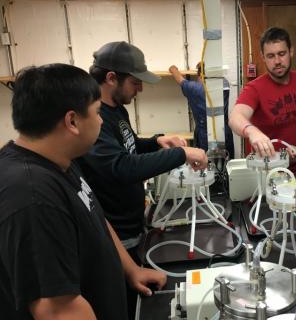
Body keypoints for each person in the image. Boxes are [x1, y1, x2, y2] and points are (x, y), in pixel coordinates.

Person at [0, 64, 166, 320]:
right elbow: (57, 310)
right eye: (97, 112)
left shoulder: (60, 161)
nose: (101, 120)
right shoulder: (31, 196)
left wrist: (132, 270)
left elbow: (95, 215)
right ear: (72, 121)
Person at [78, 41, 208, 318]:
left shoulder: (117, 110)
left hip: (134, 226)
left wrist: (156, 141)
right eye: (136, 82)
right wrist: (182, 153)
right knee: (128, 306)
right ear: (111, 78)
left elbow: (128, 147)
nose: (141, 88)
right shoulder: (95, 117)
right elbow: (121, 167)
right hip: (116, 236)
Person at [229, 27, 296, 174]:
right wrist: (251, 131)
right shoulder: (254, 88)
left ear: (291, 51)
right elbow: (235, 117)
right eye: (270, 56)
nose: (277, 61)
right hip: (268, 173)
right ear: (263, 57)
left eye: (282, 54)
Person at [168, 62, 235, 158]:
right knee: (226, 164)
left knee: (206, 166)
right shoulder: (225, 84)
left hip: (205, 136)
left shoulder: (194, 88)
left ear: (201, 75)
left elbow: (177, 76)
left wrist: (173, 67)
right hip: (223, 132)